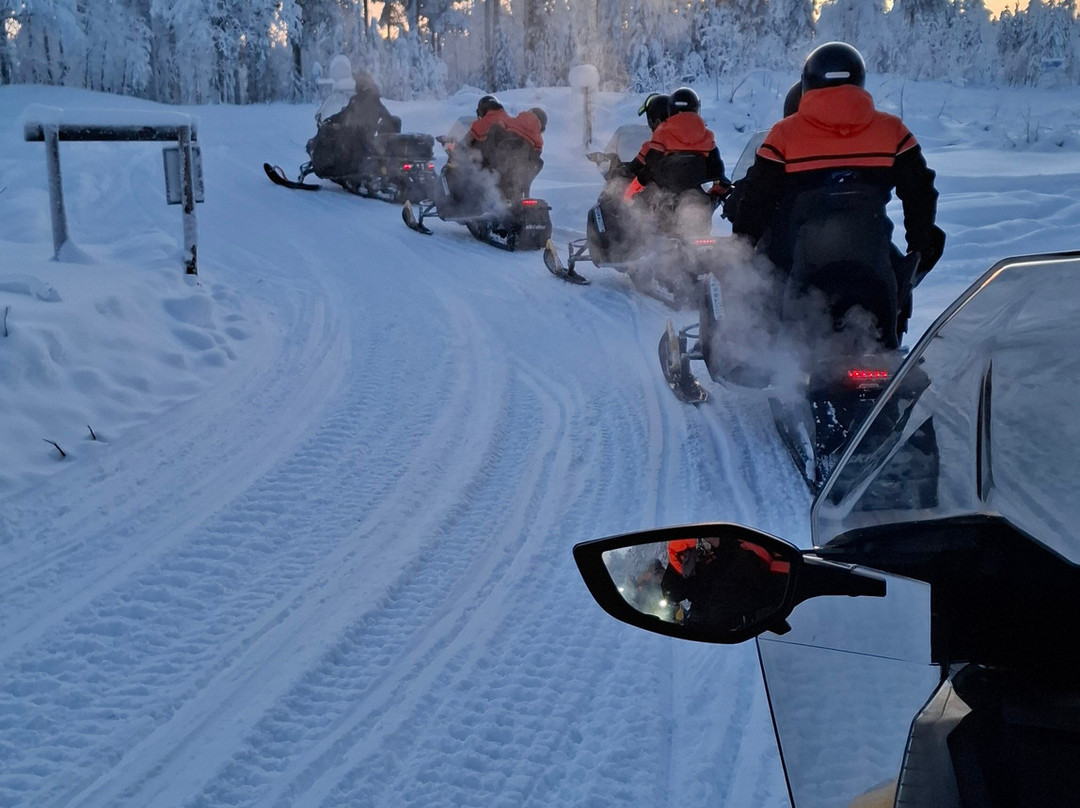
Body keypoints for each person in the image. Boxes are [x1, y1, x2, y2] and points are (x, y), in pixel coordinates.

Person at [727, 42, 945, 343]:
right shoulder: (893, 131)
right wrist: (919, 245)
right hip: (873, 259)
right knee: (906, 268)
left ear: (808, 82)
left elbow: (757, 198)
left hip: (807, 264)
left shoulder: (783, 135)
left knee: (769, 283)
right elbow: (921, 192)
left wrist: (741, 247)